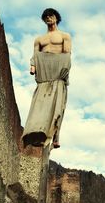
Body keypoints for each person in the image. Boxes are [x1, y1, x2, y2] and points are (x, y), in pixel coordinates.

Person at [22, 8, 71, 149]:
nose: (48, 18)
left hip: (57, 71)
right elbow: (35, 54)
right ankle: (35, 133)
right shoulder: (39, 39)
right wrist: (33, 66)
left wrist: (63, 72)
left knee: (57, 104)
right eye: (46, 17)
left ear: (56, 18)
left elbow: (67, 54)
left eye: (51, 16)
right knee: (40, 105)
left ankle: (55, 136)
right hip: (44, 74)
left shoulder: (64, 36)